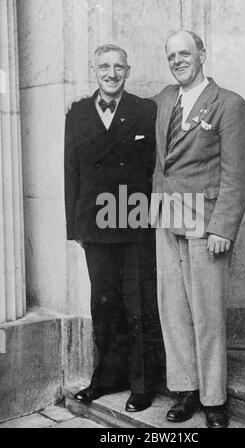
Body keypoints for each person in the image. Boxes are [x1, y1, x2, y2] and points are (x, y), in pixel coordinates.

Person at [152, 30, 245, 428]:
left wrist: (223, 227)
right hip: (166, 217)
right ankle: (186, 391)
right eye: (171, 55)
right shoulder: (163, 100)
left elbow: (238, 174)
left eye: (185, 53)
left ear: (202, 55)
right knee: (173, 312)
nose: (178, 60)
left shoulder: (229, 104)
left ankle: (214, 399)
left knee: (207, 315)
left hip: (206, 222)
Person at [64, 44, 164, 412]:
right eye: (104, 66)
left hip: (134, 219)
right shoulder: (76, 113)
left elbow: (157, 166)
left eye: (118, 66)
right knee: (103, 304)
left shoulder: (145, 110)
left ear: (128, 69)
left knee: (138, 303)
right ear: (95, 70)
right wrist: (74, 226)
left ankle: (141, 384)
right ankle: (105, 378)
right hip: (94, 224)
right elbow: (69, 170)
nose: (111, 73)